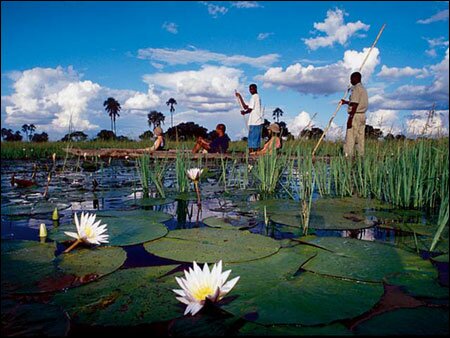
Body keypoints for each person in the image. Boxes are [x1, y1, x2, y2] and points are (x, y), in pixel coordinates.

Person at [340, 71, 368, 158]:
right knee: (360, 138)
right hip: (362, 116)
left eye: (352, 78)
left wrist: (350, 118)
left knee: (350, 137)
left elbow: (355, 104)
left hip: (355, 115)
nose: (351, 81)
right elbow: (355, 102)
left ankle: (348, 156)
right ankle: (360, 156)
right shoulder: (363, 89)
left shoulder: (356, 89)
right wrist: (346, 102)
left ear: (357, 78)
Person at [235, 84, 264, 153]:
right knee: (251, 138)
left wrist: (244, 113)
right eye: (250, 89)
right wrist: (240, 97)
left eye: (252, 89)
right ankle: (251, 152)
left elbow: (250, 109)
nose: (251, 90)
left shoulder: (255, 97)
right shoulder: (254, 97)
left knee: (255, 139)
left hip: (256, 121)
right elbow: (245, 107)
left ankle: (255, 152)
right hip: (253, 121)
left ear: (256, 89)